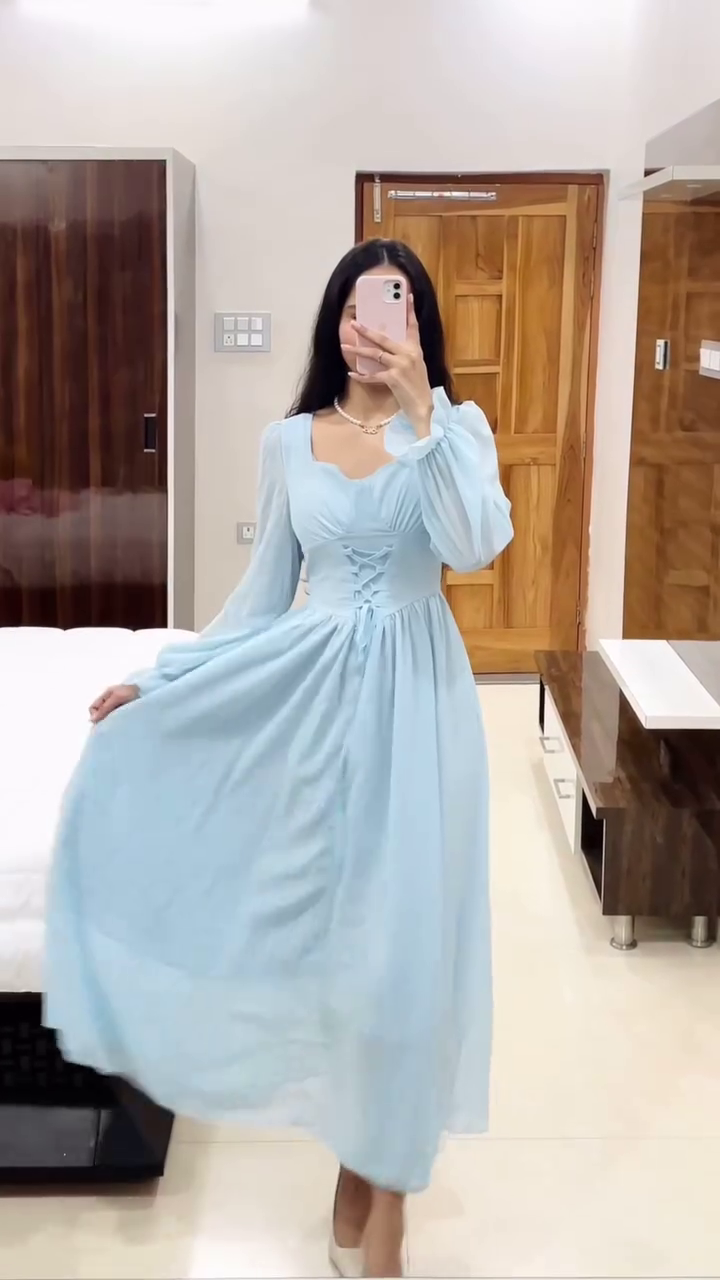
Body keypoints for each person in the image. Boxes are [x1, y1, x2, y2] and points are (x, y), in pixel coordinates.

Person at [45, 239, 513, 1278]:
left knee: (408, 956)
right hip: (315, 706)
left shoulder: (457, 431)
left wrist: (426, 412)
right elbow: (263, 596)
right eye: (355, 308)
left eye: (394, 307)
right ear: (333, 323)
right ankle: (360, 1170)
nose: (370, 326)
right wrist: (165, 680)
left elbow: (476, 545)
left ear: (420, 326)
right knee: (344, 955)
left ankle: (382, 1213)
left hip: (422, 710)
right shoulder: (289, 442)